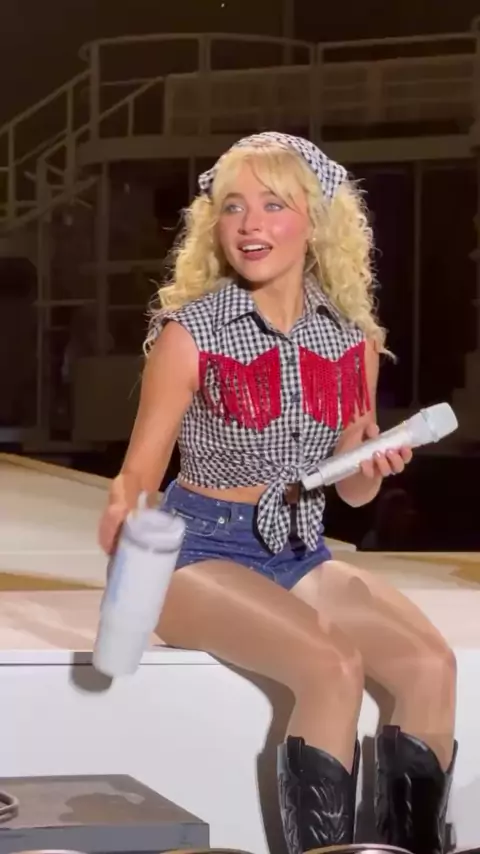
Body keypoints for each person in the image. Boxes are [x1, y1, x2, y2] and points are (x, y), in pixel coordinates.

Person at [98, 132, 457, 854]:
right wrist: (124, 518)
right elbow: (138, 475)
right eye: (233, 207)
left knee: (431, 666)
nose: (249, 224)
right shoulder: (190, 334)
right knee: (332, 667)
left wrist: (372, 466)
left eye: (272, 205)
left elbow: (353, 492)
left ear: (314, 221)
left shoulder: (352, 340)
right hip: (197, 553)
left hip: (299, 549)